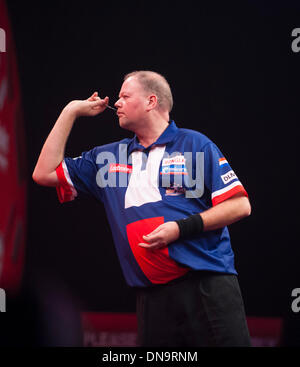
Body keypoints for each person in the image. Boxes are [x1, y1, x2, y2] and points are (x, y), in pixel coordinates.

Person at [32, 70, 252, 347]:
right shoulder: (108, 158)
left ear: (151, 101)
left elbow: (240, 205)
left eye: (125, 96)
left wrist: (179, 229)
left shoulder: (194, 144)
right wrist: (70, 111)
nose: (117, 103)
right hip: (151, 297)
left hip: (207, 285)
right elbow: (43, 173)